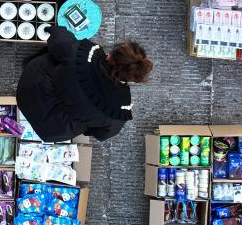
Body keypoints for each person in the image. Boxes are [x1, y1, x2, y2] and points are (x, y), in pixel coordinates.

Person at [16, 26, 152, 143]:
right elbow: (102, 134)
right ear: (132, 78)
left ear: (110, 56)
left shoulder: (85, 53)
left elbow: (58, 39)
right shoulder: (119, 111)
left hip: (28, 89)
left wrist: (55, 28)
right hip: (51, 128)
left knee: (57, 56)